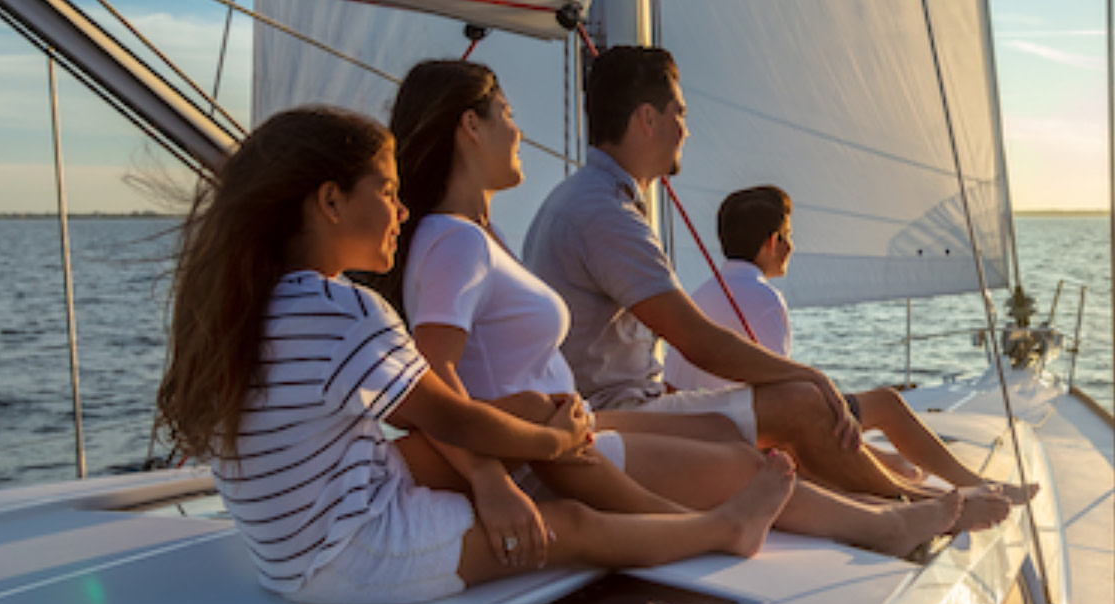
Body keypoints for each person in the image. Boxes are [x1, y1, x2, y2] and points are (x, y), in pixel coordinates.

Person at [154, 107, 792, 604]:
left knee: (534, 409)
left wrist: (521, 448)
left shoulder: (261, 302)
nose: (403, 211)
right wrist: (550, 449)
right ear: (329, 202)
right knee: (567, 522)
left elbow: (438, 415)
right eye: (387, 191)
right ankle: (722, 529)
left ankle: (628, 484)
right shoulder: (341, 310)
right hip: (346, 552)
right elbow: (447, 418)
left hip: (301, 536)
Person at [384, 60, 998, 556]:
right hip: (543, 446)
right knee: (770, 435)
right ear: (471, 127)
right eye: (507, 116)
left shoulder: (480, 234)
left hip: (562, 425)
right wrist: (490, 480)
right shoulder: (477, 234)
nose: (518, 131)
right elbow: (435, 374)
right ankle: (888, 521)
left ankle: (894, 507)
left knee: (733, 442)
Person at [523, 46, 993, 505]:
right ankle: (913, 504)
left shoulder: (582, 200)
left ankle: (908, 495)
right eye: (679, 114)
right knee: (802, 402)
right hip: (615, 416)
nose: (686, 130)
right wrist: (814, 379)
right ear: (647, 119)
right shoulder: (605, 213)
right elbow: (698, 341)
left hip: (607, 407)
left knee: (797, 401)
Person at [667, 186, 1033, 497]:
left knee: (872, 439)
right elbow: (784, 402)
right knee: (887, 404)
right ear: (772, 242)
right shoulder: (764, 300)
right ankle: (977, 486)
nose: (792, 245)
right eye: (789, 235)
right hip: (744, 431)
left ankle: (896, 464)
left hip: (706, 427)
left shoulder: (700, 293)